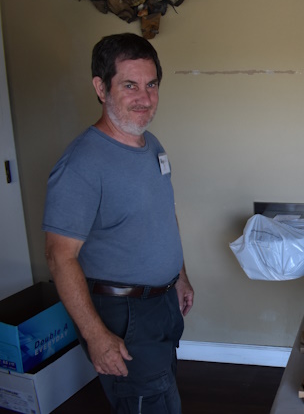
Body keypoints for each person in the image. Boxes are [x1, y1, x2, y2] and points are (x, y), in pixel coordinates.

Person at [43, 33, 194, 413]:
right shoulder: (82, 164)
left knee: (161, 393)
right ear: (101, 87)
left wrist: (180, 275)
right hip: (122, 315)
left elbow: (162, 214)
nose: (144, 98)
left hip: (161, 303)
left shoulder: (151, 144)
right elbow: (60, 258)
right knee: (150, 404)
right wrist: (96, 336)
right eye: (130, 85)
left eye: (151, 85)